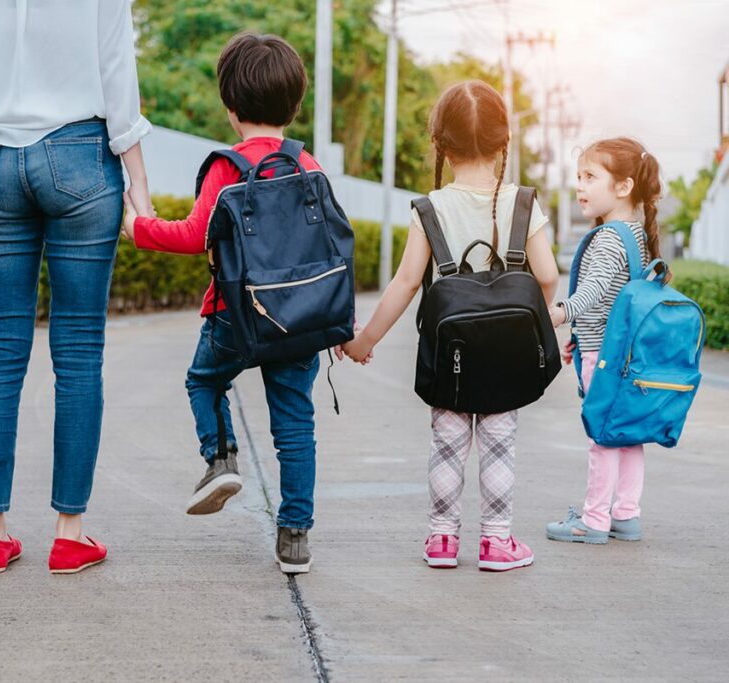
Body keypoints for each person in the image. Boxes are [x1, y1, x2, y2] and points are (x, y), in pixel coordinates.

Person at [0, 1, 153, 574]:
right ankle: (70, 534)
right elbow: (116, 67)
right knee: (78, 351)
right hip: (79, 154)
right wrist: (139, 185)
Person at [123, 32, 322, 575]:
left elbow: (193, 234)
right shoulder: (309, 165)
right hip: (299, 317)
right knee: (294, 425)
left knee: (204, 380)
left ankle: (220, 459)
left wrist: (138, 226)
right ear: (294, 103)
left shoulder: (226, 167)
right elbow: (330, 247)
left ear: (231, 109)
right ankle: (295, 537)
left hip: (234, 313)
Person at [340, 80, 559, 571]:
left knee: (448, 446)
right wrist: (534, 322)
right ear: (505, 143)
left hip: (452, 355)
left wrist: (363, 340)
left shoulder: (430, 209)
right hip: (506, 356)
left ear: (439, 144)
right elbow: (546, 276)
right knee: (499, 447)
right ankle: (496, 543)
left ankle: (441, 540)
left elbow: (403, 283)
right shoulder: (523, 202)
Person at [545, 138, 663, 544]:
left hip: (607, 361)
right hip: (628, 358)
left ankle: (593, 520)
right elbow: (618, 300)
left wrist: (560, 314)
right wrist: (582, 336)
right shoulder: (637, 235)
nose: (580, 186)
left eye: (590, 177)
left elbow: (594, 290)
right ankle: (626, 515)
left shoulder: (609, 238)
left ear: (624, 187)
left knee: (602, 440)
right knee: (628, 437)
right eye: (578, 176)